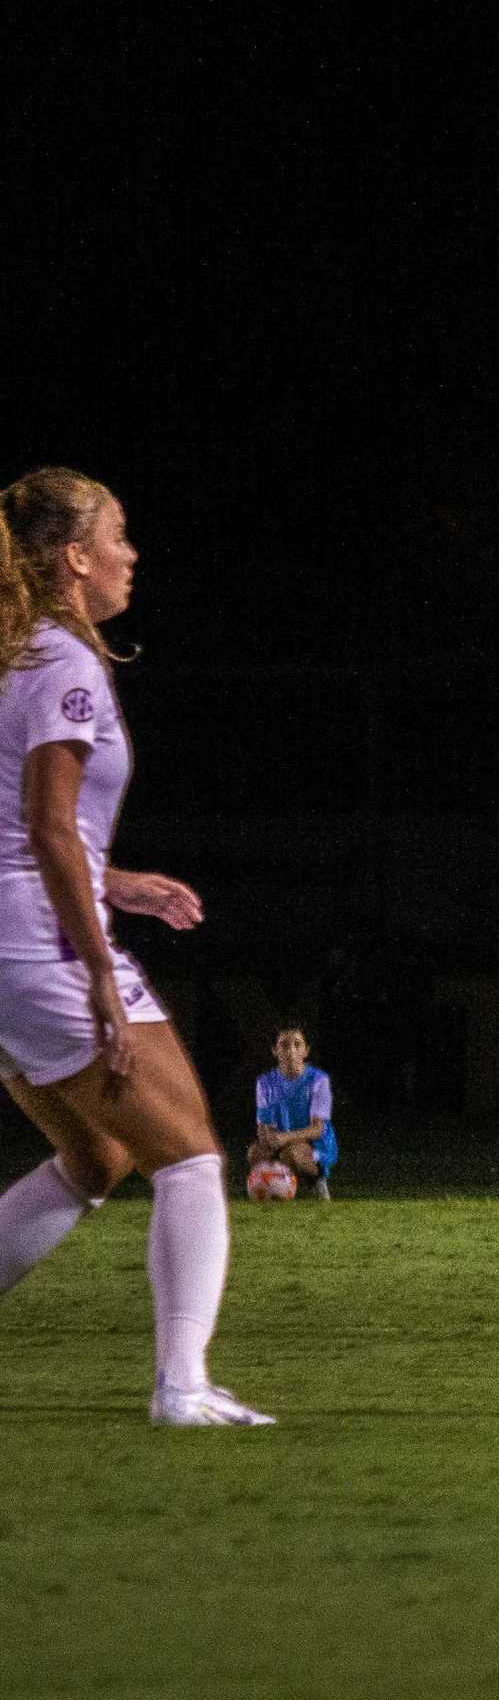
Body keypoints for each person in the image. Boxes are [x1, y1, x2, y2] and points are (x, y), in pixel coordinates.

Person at [0, 466, 272, 1424]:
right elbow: (42, 829)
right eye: (118, 534)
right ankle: (181, 1386)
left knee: (94, 1158)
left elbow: (23, 826)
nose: (132, 553)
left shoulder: (20, 652)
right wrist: (103, 984)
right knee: (192, 1155)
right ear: (75, 557)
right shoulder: (63, 664)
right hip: (41, 951)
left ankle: (183, 1382)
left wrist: (119, 882)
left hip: (10, 950)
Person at [249, 1025, 337, 1198]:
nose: (291, 1051)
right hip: (282, 1139)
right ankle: (274, 1190)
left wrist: (284, 1138)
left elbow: (317, 1129)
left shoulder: (319, 1080)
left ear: (306, 1051)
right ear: (275, 1051)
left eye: (297, 1044)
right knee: (255, 1153)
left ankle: (317, 1181)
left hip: (315, 1144)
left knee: (292, 1154)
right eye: (284, 1045)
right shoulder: (265, 1082)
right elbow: (263, 1124)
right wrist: (267, 1137)